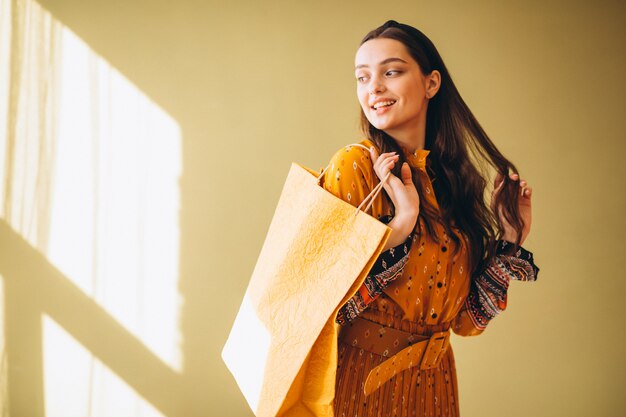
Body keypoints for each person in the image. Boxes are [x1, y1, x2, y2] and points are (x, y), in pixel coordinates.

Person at [320, 20, 539, 416]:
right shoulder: (355, 168)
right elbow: (322, 308)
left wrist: (510, 239)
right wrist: (401, 225)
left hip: (436, 389)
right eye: (362, 77)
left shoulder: (454, 181)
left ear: (431, 83)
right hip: (360, 385)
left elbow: (465, 326)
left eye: (391, 72)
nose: (374, 88)